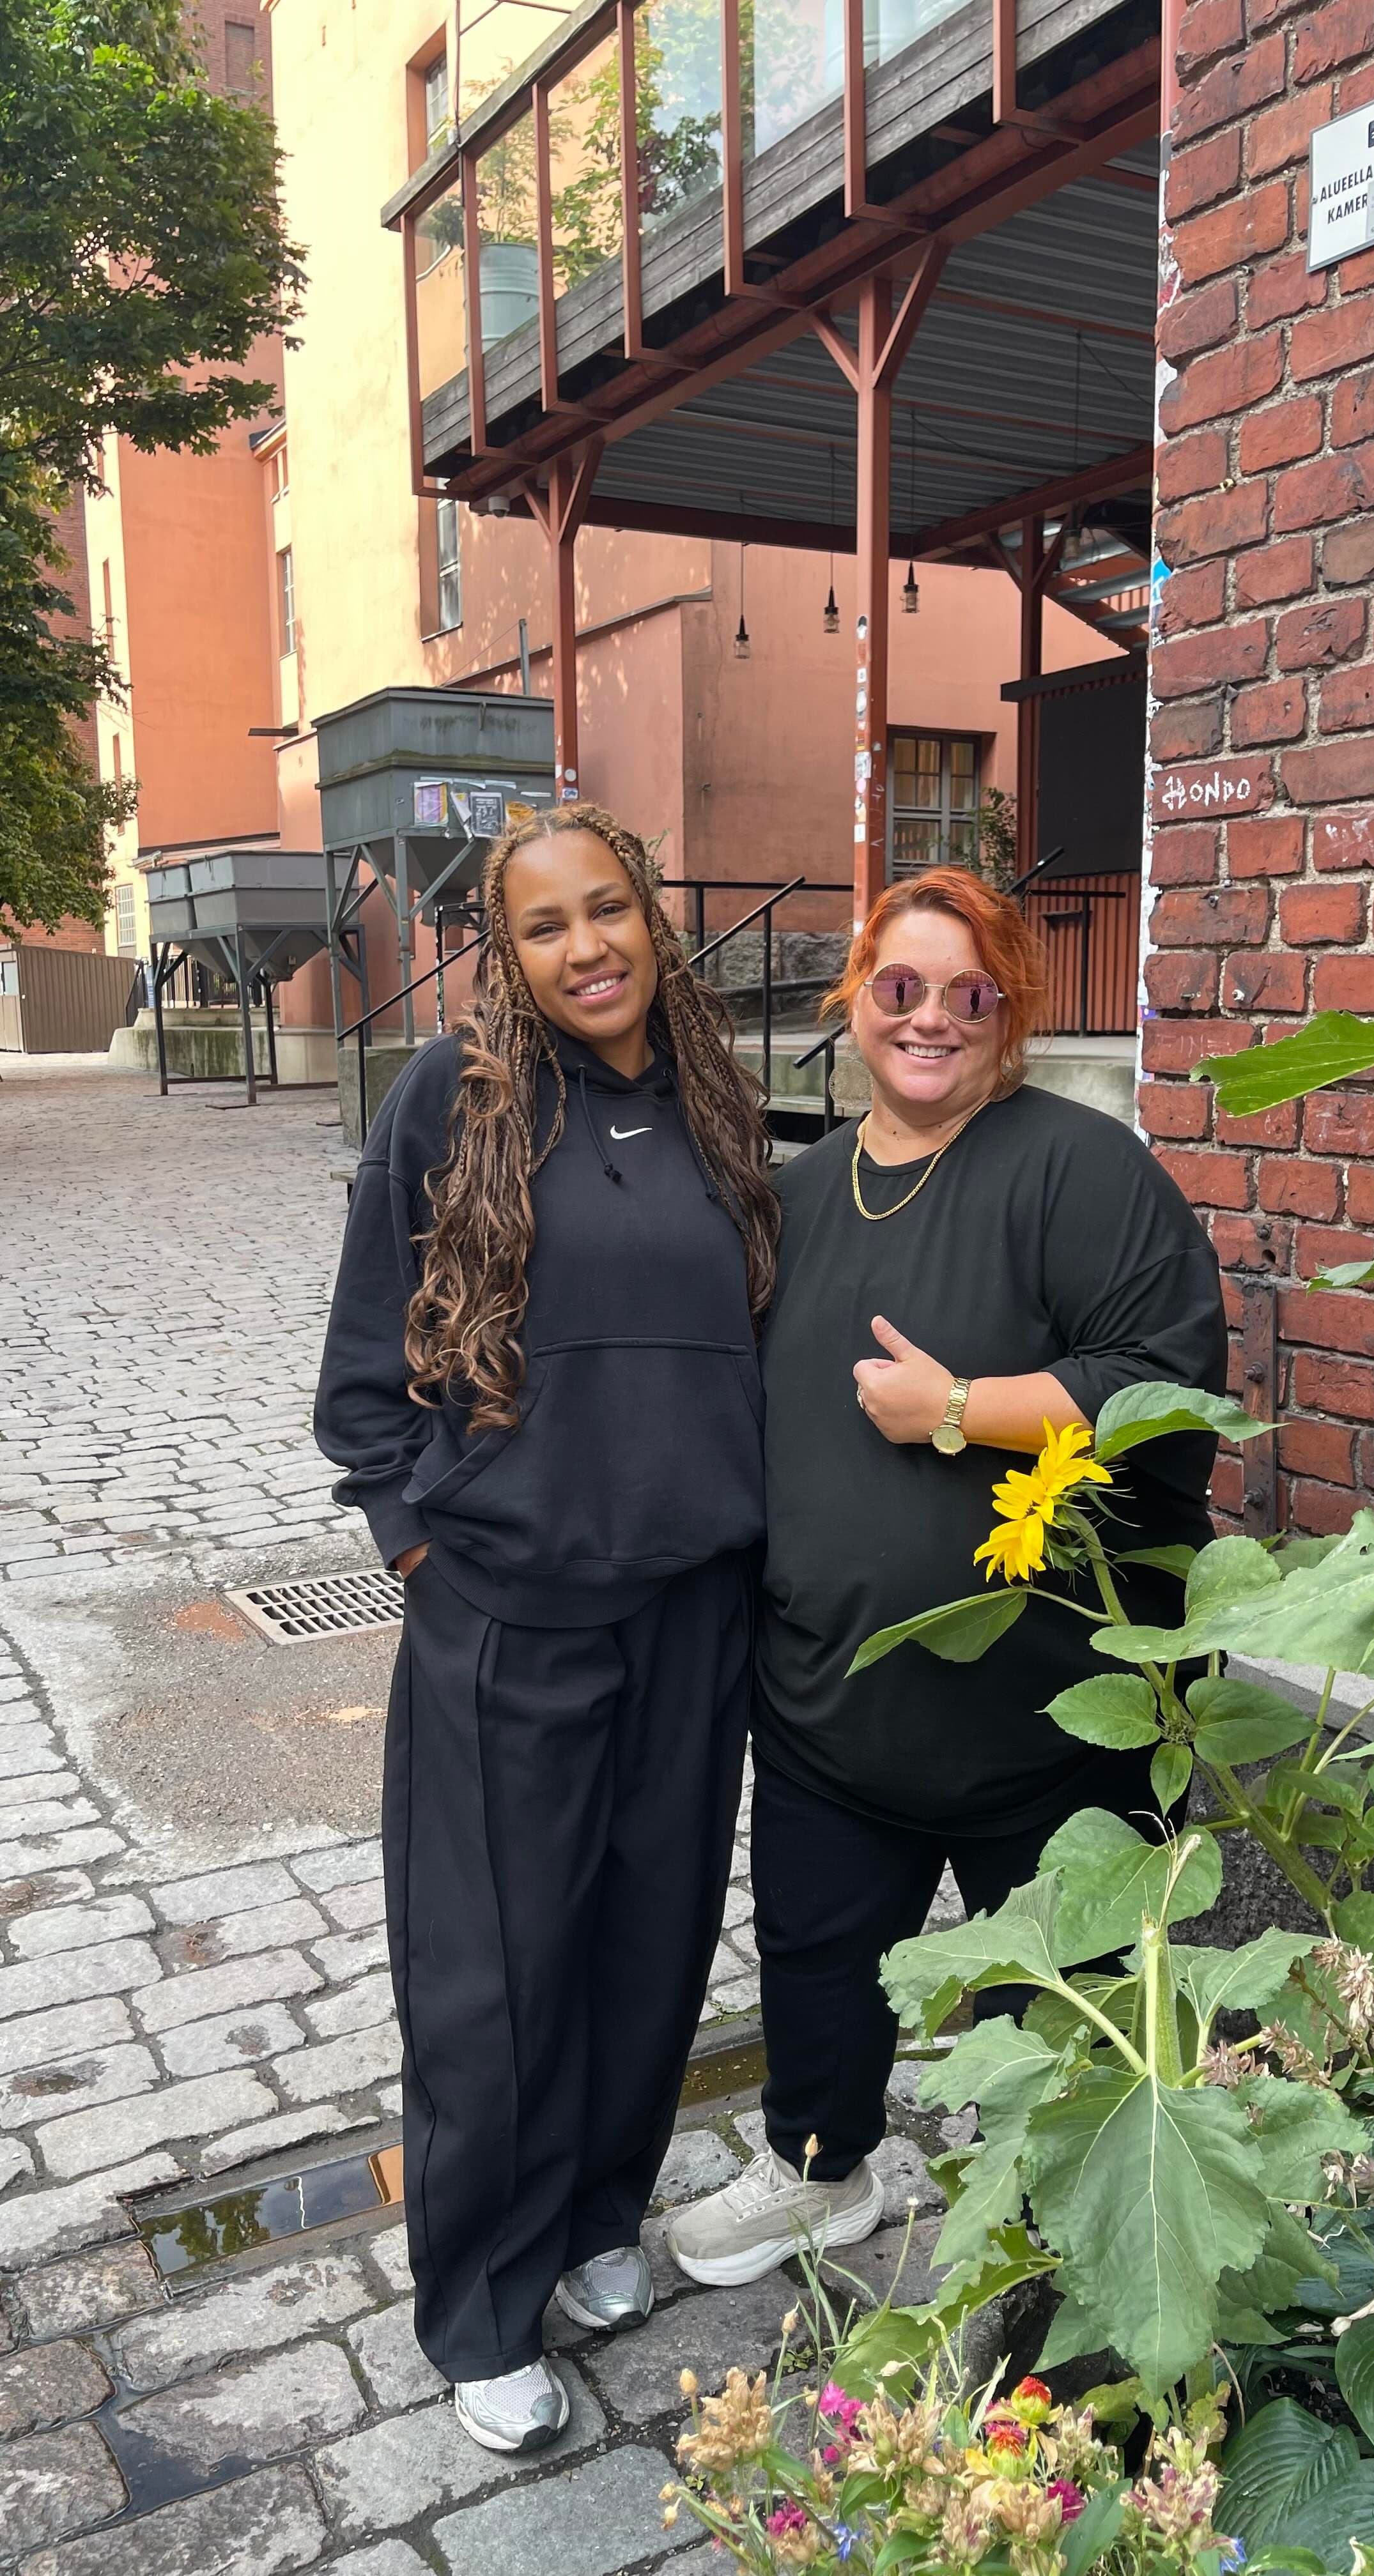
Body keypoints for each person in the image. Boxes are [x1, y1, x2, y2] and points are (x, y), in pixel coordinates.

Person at [668, 864, 1227, 2287]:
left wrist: (964, 1409)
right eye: (899, 987)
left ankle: (1083, 2222)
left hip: (1047, 1721)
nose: (929, 1019)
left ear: (1009, 1013)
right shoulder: (795, 1195)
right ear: (854, 998)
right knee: (817, 1960)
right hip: (831, 1704)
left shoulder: (1080, 1169)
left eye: (967, 995)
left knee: (1076, 2001)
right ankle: (818, 2171)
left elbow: (1168, 1388)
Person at [314, 806, 776, 2450]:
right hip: (513, 1614)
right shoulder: (454, 1101)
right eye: (544, 926)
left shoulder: (719, 1108)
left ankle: (594, 2220)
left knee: (650, 1944)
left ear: (655, 915)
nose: (587, 948)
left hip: (694, 1611)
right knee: (496, 1975)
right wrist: (421, 1541)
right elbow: (364, 1368)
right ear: (505, 956)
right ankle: (484, 2308)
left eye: (609, 910)